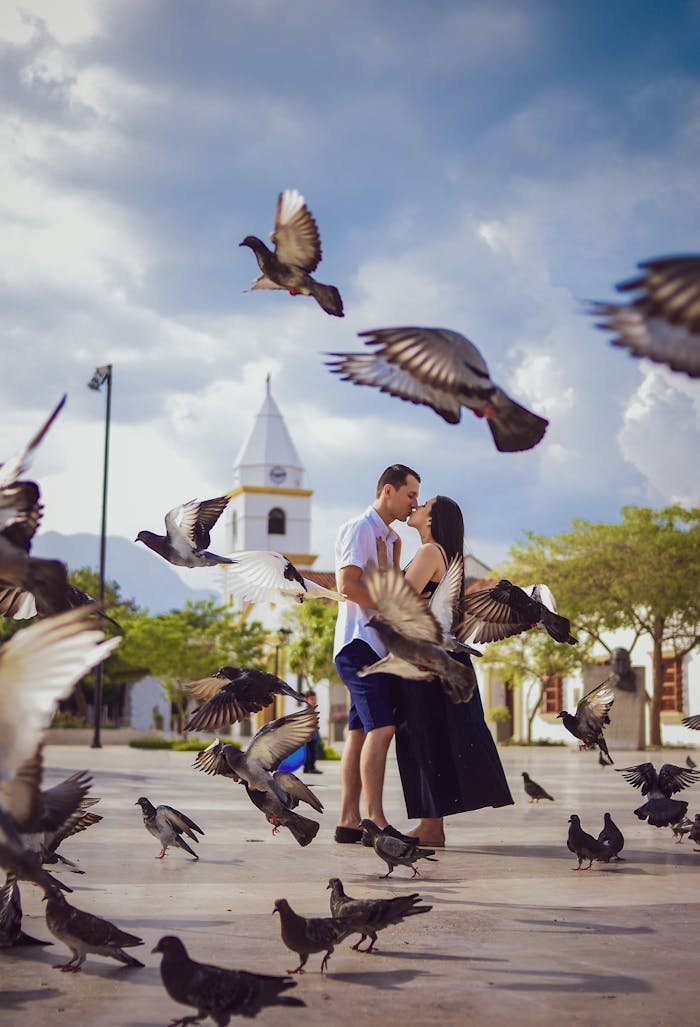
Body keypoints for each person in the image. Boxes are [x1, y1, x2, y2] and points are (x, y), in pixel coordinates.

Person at [394, 495, 514, 847]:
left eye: (424, 504)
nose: (416, 505)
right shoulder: (449, 556)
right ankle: (433, 826)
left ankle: (432, 826)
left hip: (428, 659)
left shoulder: (430, 552)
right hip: (444, 658)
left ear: (432, 520)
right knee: (436, 739)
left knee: (423, 739)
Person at [333, 463, 421, 844]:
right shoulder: (360, 528)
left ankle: (348, 822)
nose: (413, 504)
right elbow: (348, 585)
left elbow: (388, 587)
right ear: (388, 490)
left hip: (375, 646)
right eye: (410, 495)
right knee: (382, 729)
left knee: (358, 733)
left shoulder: (386, 537)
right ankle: (376, 821)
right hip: (358, 644)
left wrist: (395, 551)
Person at [302, 691, 322, 773]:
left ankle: (311, 767)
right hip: (308, 736)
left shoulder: (313, 710)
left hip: (314, 736)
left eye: (315, 699)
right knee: (308, 753)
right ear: (306, 700)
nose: (314, 701)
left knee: (313, 752)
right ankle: (308, 768)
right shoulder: (307, 711)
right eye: (312, 699)